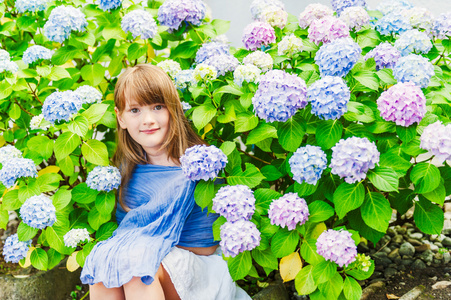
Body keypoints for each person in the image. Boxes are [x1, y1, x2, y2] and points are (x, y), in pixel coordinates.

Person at [80, 64, 250, 300]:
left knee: (138, 268)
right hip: (146, 261)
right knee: (105, 265)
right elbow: (128, 236)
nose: (148, 119)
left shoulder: (199, 165)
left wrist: (151, 247)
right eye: (135, 110)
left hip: (200, 270)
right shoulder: (128, 171)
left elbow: (207, 246)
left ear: (173, 110)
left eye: (157, 107)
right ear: (121, 118)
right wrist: (143, 249)